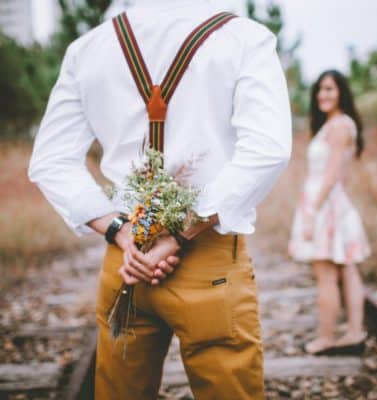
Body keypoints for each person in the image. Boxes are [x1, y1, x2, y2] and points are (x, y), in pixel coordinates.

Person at [28, 0, 292, 398]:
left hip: (127, 261)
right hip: (208, 256)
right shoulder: (244, 38)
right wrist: (180, 234)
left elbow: (50, 161)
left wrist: (120, 230)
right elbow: (267, 149)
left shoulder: (88, 49)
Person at [288, 70, 371, 356]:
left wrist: (312, 211)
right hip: (333, 202)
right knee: (347, 269)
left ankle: (326, 338)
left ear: (341, 93)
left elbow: (333, 173)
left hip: (324, 206)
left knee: (325, 274)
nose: (323, 95)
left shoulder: (338, 126)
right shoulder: (338, 124)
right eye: (320, 90)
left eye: (329, 89)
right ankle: (354, 333)